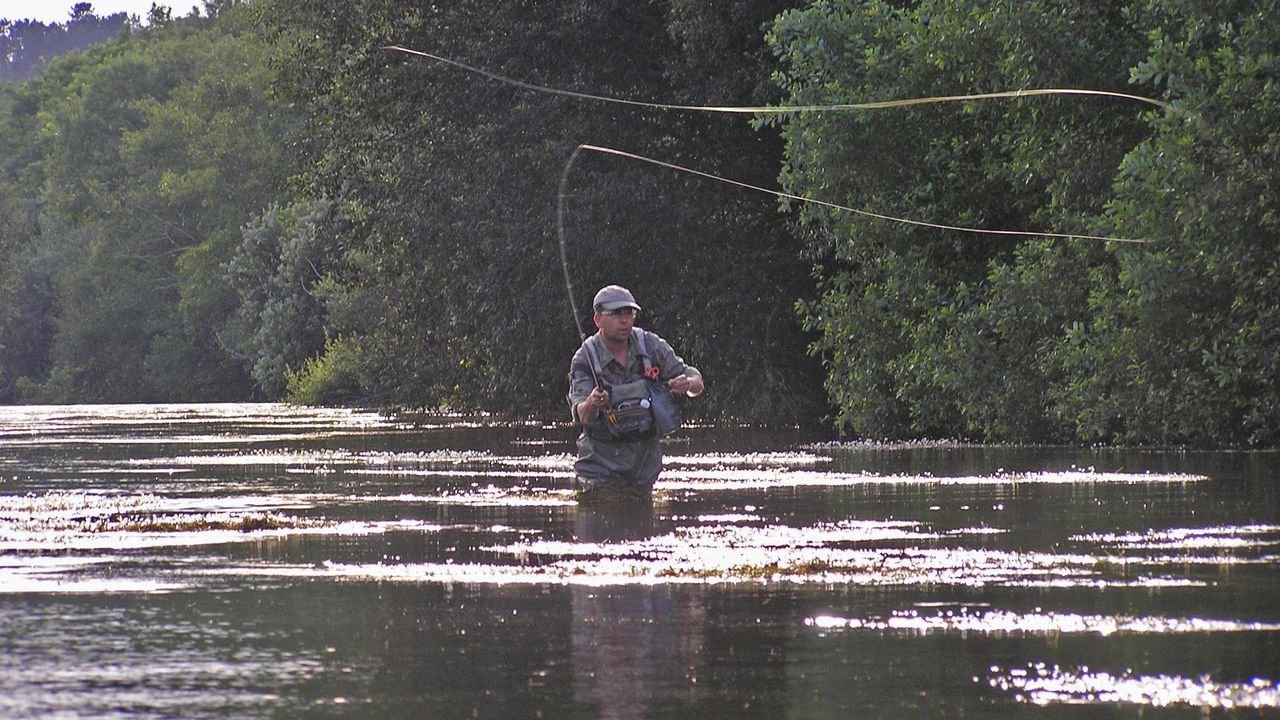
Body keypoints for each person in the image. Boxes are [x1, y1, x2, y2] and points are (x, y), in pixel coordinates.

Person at [567, 285, 704, 500]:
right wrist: (592, 402)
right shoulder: (585, 358)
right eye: (616, 313)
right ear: (598, 319)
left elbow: (696, 382)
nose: (624, 320)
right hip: (599, 468)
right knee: (599, 526)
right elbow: (581, 415)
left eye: (628, 313)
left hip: (644, 468)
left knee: (642, 531)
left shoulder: (650, 344)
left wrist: (688, 384)